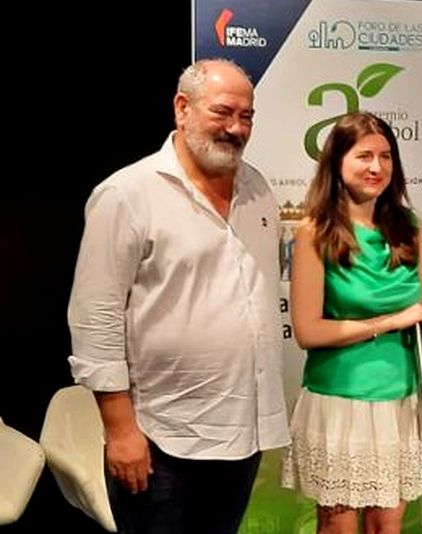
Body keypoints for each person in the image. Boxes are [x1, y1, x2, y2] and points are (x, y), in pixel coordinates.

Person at [67, 59, 289, 534]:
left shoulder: (258, 189)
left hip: (242, 436)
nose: (235, 128)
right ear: (182, 108)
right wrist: (120, 431)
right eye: (222, 112)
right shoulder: (127, 194)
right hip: (161, 439)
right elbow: (95, 317)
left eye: (246, 116)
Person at [280, 111, 422, 534]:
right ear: (337, 162)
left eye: (386, 156)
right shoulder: (314, 232)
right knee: (338, 528)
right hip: (340, 402)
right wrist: (391, 321)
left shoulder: (410, 227)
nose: (377, 167)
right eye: (364, 156)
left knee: (386, 527)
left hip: (402, 401)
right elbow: (308, 331)